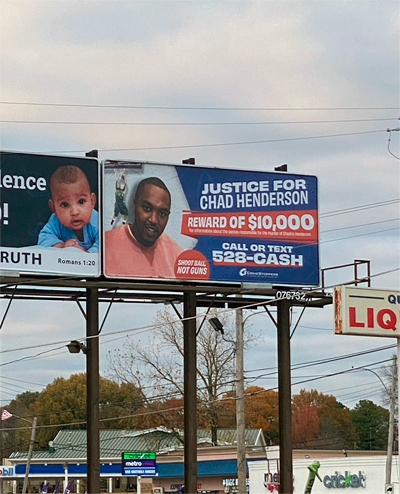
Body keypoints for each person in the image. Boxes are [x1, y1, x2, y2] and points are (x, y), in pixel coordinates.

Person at [105, 176, 183, 277]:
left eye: (162, 213)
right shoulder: (105, 245)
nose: (153, 220)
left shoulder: (176, 253)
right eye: (147, 208)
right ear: (134, 205)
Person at [38, 165, 99, 253]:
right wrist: (61, 246)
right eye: (65, 204)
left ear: (92, 201)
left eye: (81, 201)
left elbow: (106, 245)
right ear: (53, 208)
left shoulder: (98, 221)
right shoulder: (55, 221)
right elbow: (44, 237)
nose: (74, 212)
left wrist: (87, 254)